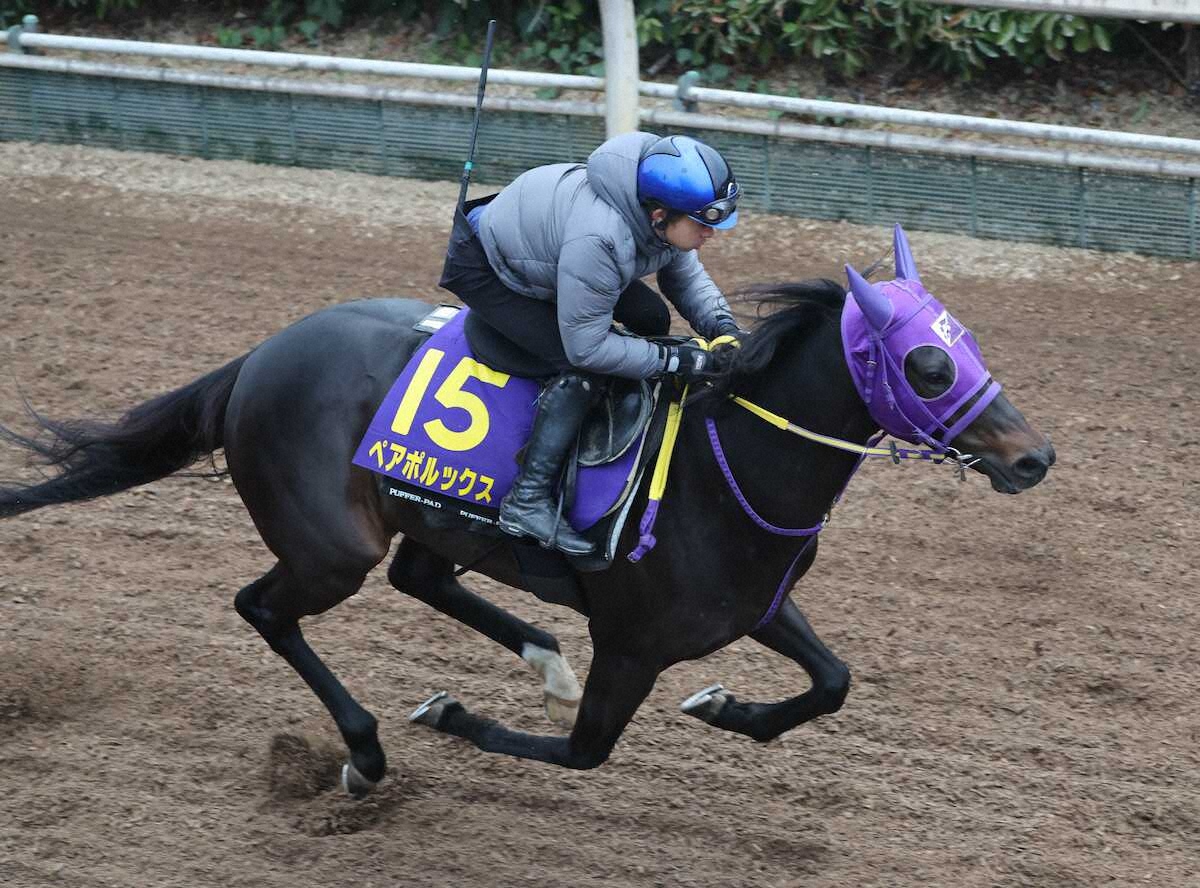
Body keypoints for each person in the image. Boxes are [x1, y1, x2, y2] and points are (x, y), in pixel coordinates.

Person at [439, 131, 742, 556]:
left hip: (557, 256)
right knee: (583, 369)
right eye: (703, 223)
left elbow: (685, 275)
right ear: (659, 216)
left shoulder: (658, 214)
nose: (713, 233)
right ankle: (526, 499)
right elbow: (587, 348)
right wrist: (675, 361)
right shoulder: (601, 238)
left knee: (651, 318)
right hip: (491, 272)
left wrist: (724, 328)